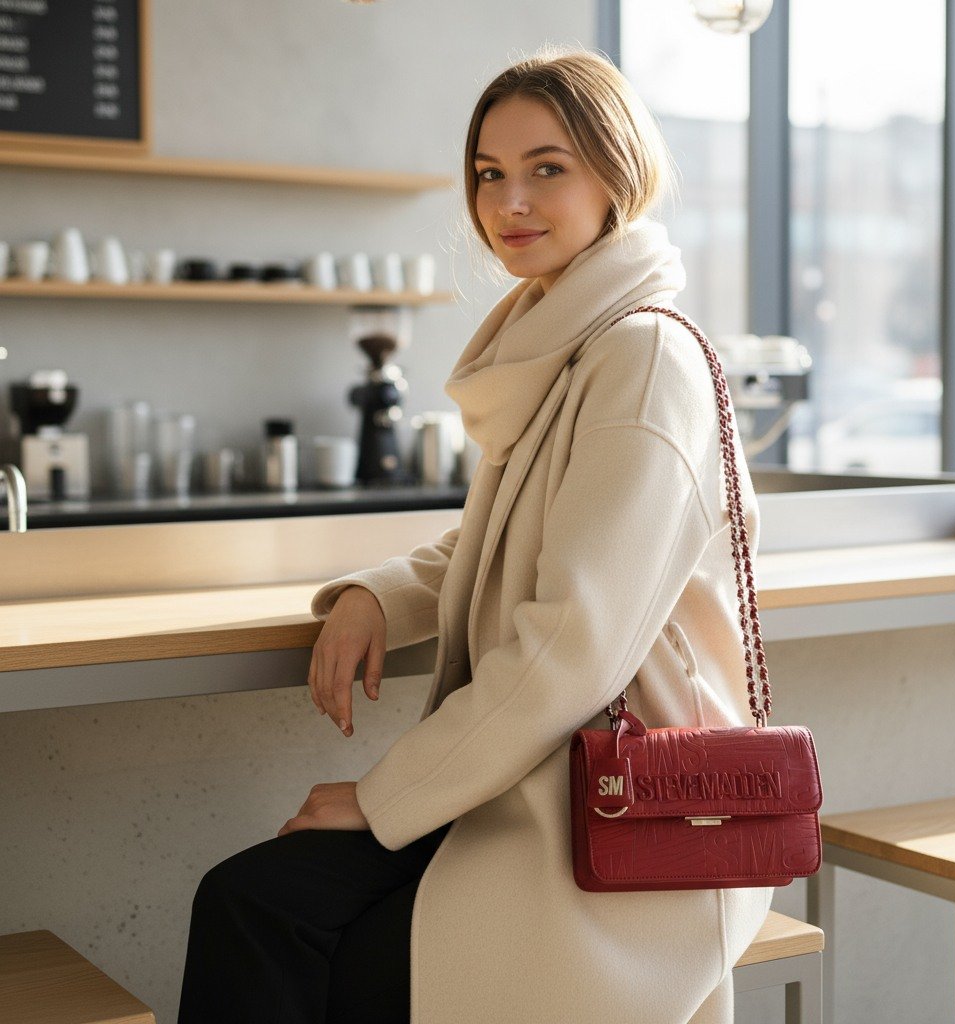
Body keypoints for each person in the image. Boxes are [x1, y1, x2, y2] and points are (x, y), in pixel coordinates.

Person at [177, 43, 773, 1024]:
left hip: (625, 829)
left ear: (615, 172)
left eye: (548, 167)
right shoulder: (568, 344)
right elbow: (508, 540)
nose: (509, 202)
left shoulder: (640, 357)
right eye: (489, 174)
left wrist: (382, 798)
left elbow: (568, 645)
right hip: (532, 784)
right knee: (254, 904)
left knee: (266, 918)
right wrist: (383, 592)